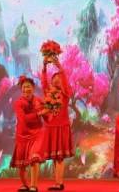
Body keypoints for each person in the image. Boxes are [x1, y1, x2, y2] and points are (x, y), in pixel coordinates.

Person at [41, 59, 74, 190]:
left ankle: (59, 183)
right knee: (55, 157)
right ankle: (57, 181)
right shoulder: (49, 94)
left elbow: (65, 81)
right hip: (51, 127)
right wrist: (44, 68)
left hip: (61, 127)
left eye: (59, 78)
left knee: (59, 157)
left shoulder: (65, 94)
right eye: (54, 78)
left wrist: (60, 67)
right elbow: (44, 84)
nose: (57, 79)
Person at [12, 76, 48, 192]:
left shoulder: (39, 101)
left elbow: (47, 118)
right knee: (22, 165)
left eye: (28, 86)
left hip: (37, 133)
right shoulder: (18, 103)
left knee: (34, 158)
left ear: (33, 88)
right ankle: (25, 184)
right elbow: (23, 120)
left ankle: (33, 185)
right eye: (24, 87)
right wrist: (38, 114)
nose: (26, 89)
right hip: (22, 135)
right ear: (21, 89)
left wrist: (50, 110)